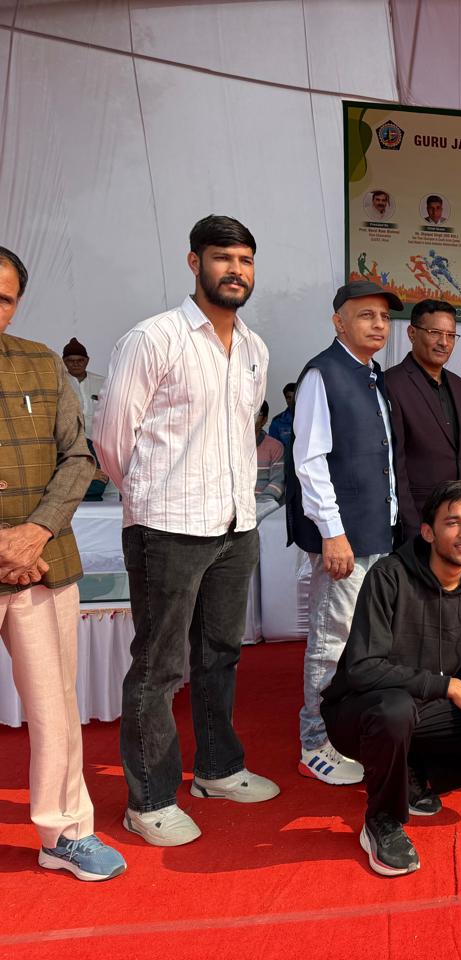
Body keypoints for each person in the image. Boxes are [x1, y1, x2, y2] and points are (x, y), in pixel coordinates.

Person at [97, 215, 278, 847]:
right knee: (160, 666)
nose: (236, 270)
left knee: (220, 655)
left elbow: (243, 435)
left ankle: (218, 769)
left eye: (246, 260)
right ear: (194, 262)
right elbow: (112, 439)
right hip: (168, 528)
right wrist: (150, 499)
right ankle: (148, 800)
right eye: (223, 257)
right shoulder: (153, 339)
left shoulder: (253, 348)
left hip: (235, 525)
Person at [320, 482, 461, 877]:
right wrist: (451, 687)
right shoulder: (389, 576)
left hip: (427, 712)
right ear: (428, 532)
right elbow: (362, 668)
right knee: (396, 709)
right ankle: (382, 820)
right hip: (362, 711)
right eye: (453, 523)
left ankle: (414, 774)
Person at [0, 247, 126, 881]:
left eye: (4, 298)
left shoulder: (42, 364)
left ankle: (66, 834)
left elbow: (79, 457)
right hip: (18, 555)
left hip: (42, 560)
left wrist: (35, 532)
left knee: (55, 709)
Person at [285, 279, 404, 787]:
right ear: (339, 322)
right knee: (332, 638)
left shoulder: (372, 375)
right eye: (366, 315)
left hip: (378, 530)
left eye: (384, 317)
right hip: (346, 537)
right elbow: (309, 460)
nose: (379, 325)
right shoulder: (324, 373)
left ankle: (347, 725)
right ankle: (315, 742)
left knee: (367, 637)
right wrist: (332, 533)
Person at [384, 298, 461, 541]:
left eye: (451, 335)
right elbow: (394, 463)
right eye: (435, 333)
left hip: (460, 517)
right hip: (419, 516)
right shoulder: (391, 384)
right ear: (412, 333)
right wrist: (411, 525)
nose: (444, 342)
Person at [61, 338, 109, 500]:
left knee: (101, 481)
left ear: (87, 361)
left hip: (98, 442)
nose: (76, 364)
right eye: (71, 360)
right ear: (64, 362)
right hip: (69, 442)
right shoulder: (58, 382)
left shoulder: (102, 382)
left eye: (80, 360)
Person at [254, 402, 285, 502]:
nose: (251, 417)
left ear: (265, 420)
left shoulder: (275, 447)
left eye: (257, 414)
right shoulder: (232, 447)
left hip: (263, 506)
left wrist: (260, 504)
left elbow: (278, 482)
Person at [268, 382, 296, 446]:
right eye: (289, 397)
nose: (292, 401)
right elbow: (273, 447)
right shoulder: (277, 422)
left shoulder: (309, 419)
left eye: (294, 397)